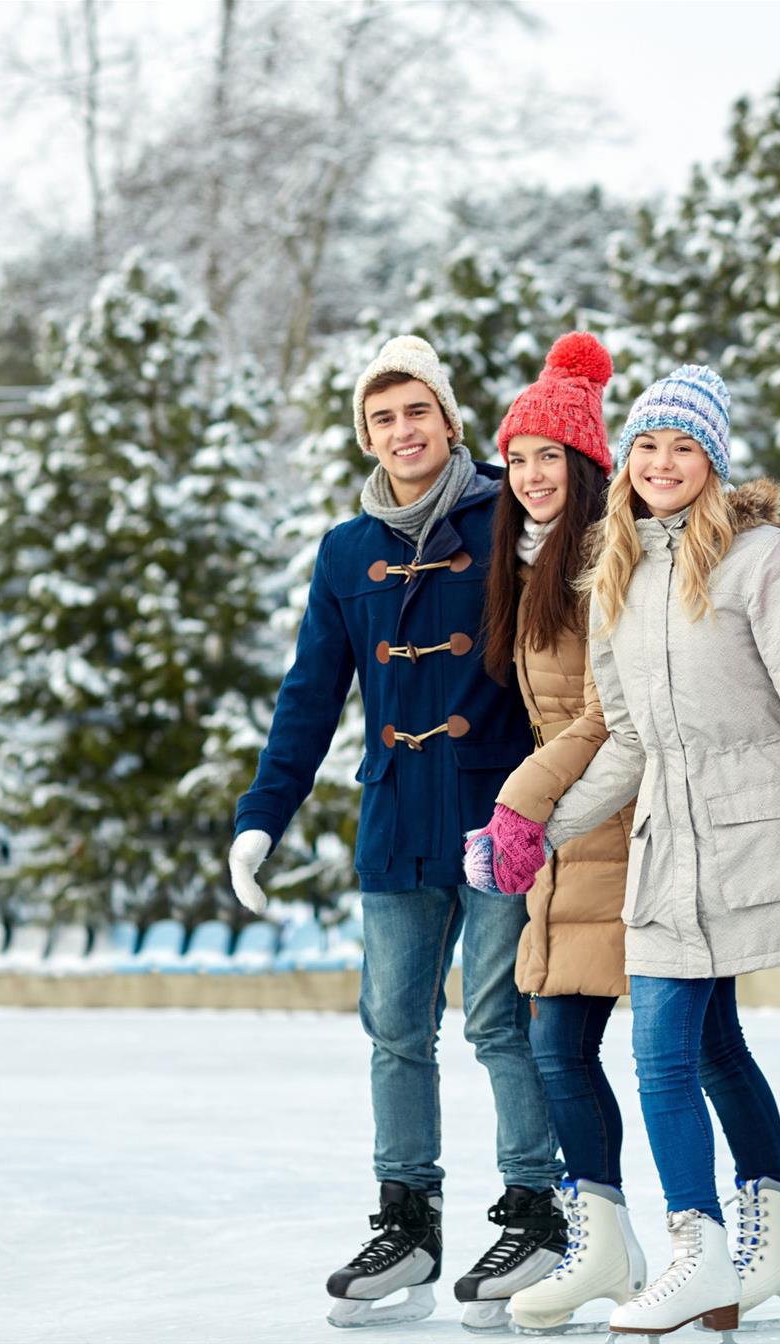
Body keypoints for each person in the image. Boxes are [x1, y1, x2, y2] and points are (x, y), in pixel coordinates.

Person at [477, 365, 780, 1339]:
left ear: (711, 461)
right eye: (647, 445)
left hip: (777, 832)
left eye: (682, 447)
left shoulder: (761, 557)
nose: (661, 462)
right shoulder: (612, 572)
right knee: (661, 1058)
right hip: (668, 849)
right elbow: (628, 741)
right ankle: (698, 1257)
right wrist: (545, 833)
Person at [463, 334, 780, 1334]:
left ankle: (755, 1231)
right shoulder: (528, 564)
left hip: (640, 825)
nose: (530, 476)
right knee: (578, 1045)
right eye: (516, 457)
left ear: (587, 466)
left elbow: (610, 718)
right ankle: (619, 1241)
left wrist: (523, 805)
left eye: (549, 457)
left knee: (694, 1047)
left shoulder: (608, 552)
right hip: (579, 831)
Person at [225, 335, 563, 1331]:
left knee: (501, 1022)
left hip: (497, 818)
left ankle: (535, 1219)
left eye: (416, 411)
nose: (402, 431)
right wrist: (261, 820)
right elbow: (308, 695)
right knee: (393, 1031)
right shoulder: (345, 550)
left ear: (450, 421)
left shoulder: (510, 514)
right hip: (392, 824)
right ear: (365, 436)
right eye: (382, 418)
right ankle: (407, 1225)